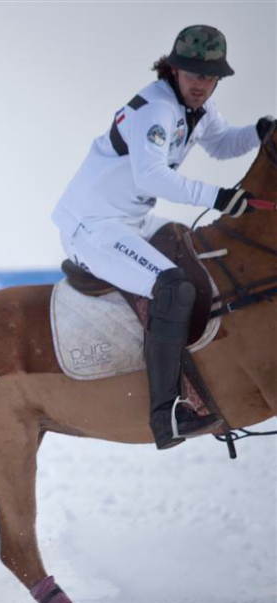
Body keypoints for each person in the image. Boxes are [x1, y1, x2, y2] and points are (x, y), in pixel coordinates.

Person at [51, 25, 273, 450]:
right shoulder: (156, 109)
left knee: (194, 253)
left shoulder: (197, 111)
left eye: (210, 78)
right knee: (172, 285)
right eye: (193, 75)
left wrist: (259, 131)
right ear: (173, 69)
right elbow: (151, 175)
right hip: (93, 226)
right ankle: (166, 413)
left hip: (133, 219)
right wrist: (220, 197)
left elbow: (224, 145)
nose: (202, 85)